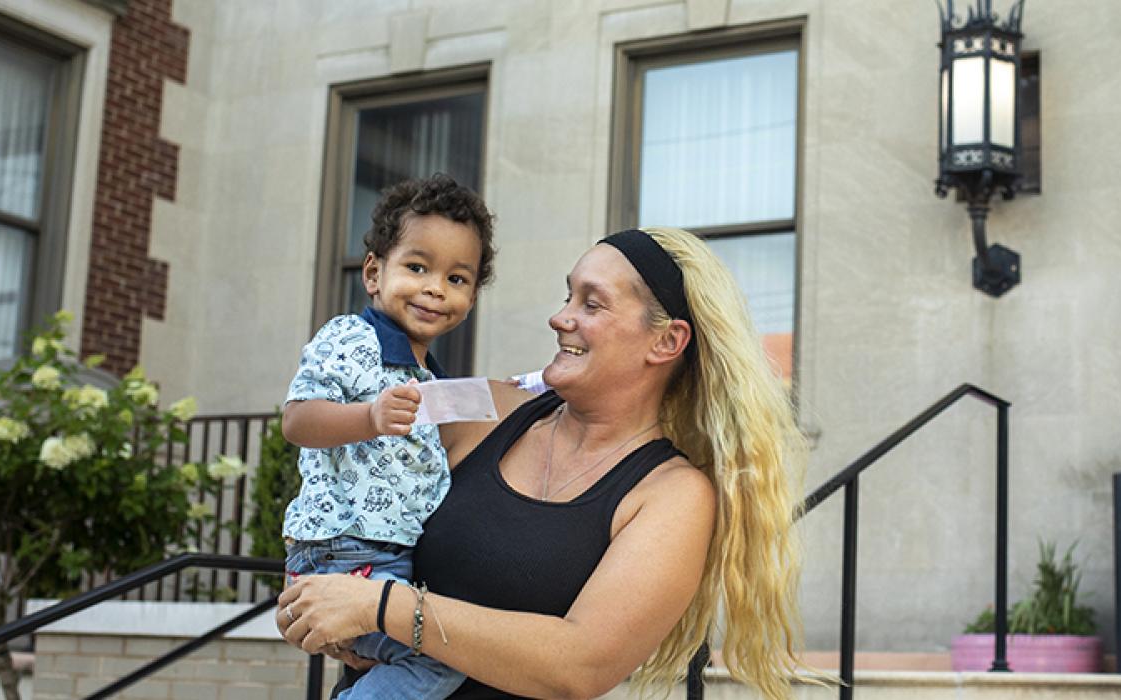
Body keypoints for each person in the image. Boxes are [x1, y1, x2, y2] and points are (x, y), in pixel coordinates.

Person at [277, 227, 814, 699]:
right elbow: (348, 452)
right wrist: (314, 583)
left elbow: (579, 664)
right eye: (567, 295)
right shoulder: (481, 404)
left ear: (666, 340)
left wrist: (382, 607)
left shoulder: (673, 495)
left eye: (592, 304)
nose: (560, 318)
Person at [277, 173, 496, 699]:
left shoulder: (429, 378)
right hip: (346, 551)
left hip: (384, 556)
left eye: (457, 278)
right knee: (443, 655)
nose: (434, 289)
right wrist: (368, 417)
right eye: (417, 267)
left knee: (424, 651)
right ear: (374, 272)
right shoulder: (351, 338)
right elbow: (297, 420)